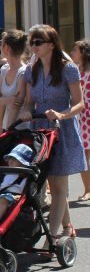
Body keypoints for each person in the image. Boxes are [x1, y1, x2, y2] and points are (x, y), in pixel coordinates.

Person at [19, 24, 86, 242]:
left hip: (62, 129)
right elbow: (29, 102)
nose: (33, 47)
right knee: (50, 182)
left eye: (38, 42)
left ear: (51, 44)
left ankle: (52, 236)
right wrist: (27, 112)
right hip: (39, 130)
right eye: (32, 42)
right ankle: (66, 227)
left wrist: (61, 114)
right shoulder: (32, 70)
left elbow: (79, 103)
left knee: (59, 185)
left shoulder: (68, 68)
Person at [0, 29, 29, 132]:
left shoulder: (23, 72)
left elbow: (16, 107)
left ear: (7, 48)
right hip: (7, 127)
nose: (0, 47)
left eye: (1, 43)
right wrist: (0, 128)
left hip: (19, 129)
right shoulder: (4, 69)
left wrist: (8, 133)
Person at [0, 144, 34, 225]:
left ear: (23, 163)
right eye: (10, 158)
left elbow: (24, 190)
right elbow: (1, 185)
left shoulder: (24, 176)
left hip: (14, 197)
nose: (10, 160)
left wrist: (20, 196)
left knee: (4, 198)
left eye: (14, 159)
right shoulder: (6, 173)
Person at [71, 39, 90, 201]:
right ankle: (88, 189)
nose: (72, 53)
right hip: (81, 118)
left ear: (83, 53)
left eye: (75, 50)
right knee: (84, 154)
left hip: (88, 116)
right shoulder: (76, 70)